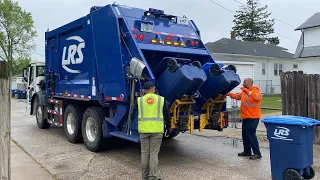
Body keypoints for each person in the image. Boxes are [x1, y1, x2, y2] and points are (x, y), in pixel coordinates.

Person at [137, 81, 171, 180]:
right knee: (153, 154)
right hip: (157, 130)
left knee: (144, 153)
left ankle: (144, 177)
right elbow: (167, 115)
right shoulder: (161, 100)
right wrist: (168, 127)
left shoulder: (139, 100)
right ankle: (152, 177)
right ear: (154, 89)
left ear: (144, 91)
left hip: (144, 130)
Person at [228, 78, 262, 160]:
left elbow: (258, 98)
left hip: (253, 118)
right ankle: (247, 151)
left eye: (244, 82)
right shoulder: (244, 92)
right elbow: (237, 96)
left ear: (250, 83)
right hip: (246, 117)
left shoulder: (255, 91)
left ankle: (257, 153)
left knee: (251, 135)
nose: (243, 83)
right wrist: (229, 94)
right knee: (245, 135)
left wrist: (247, 91)